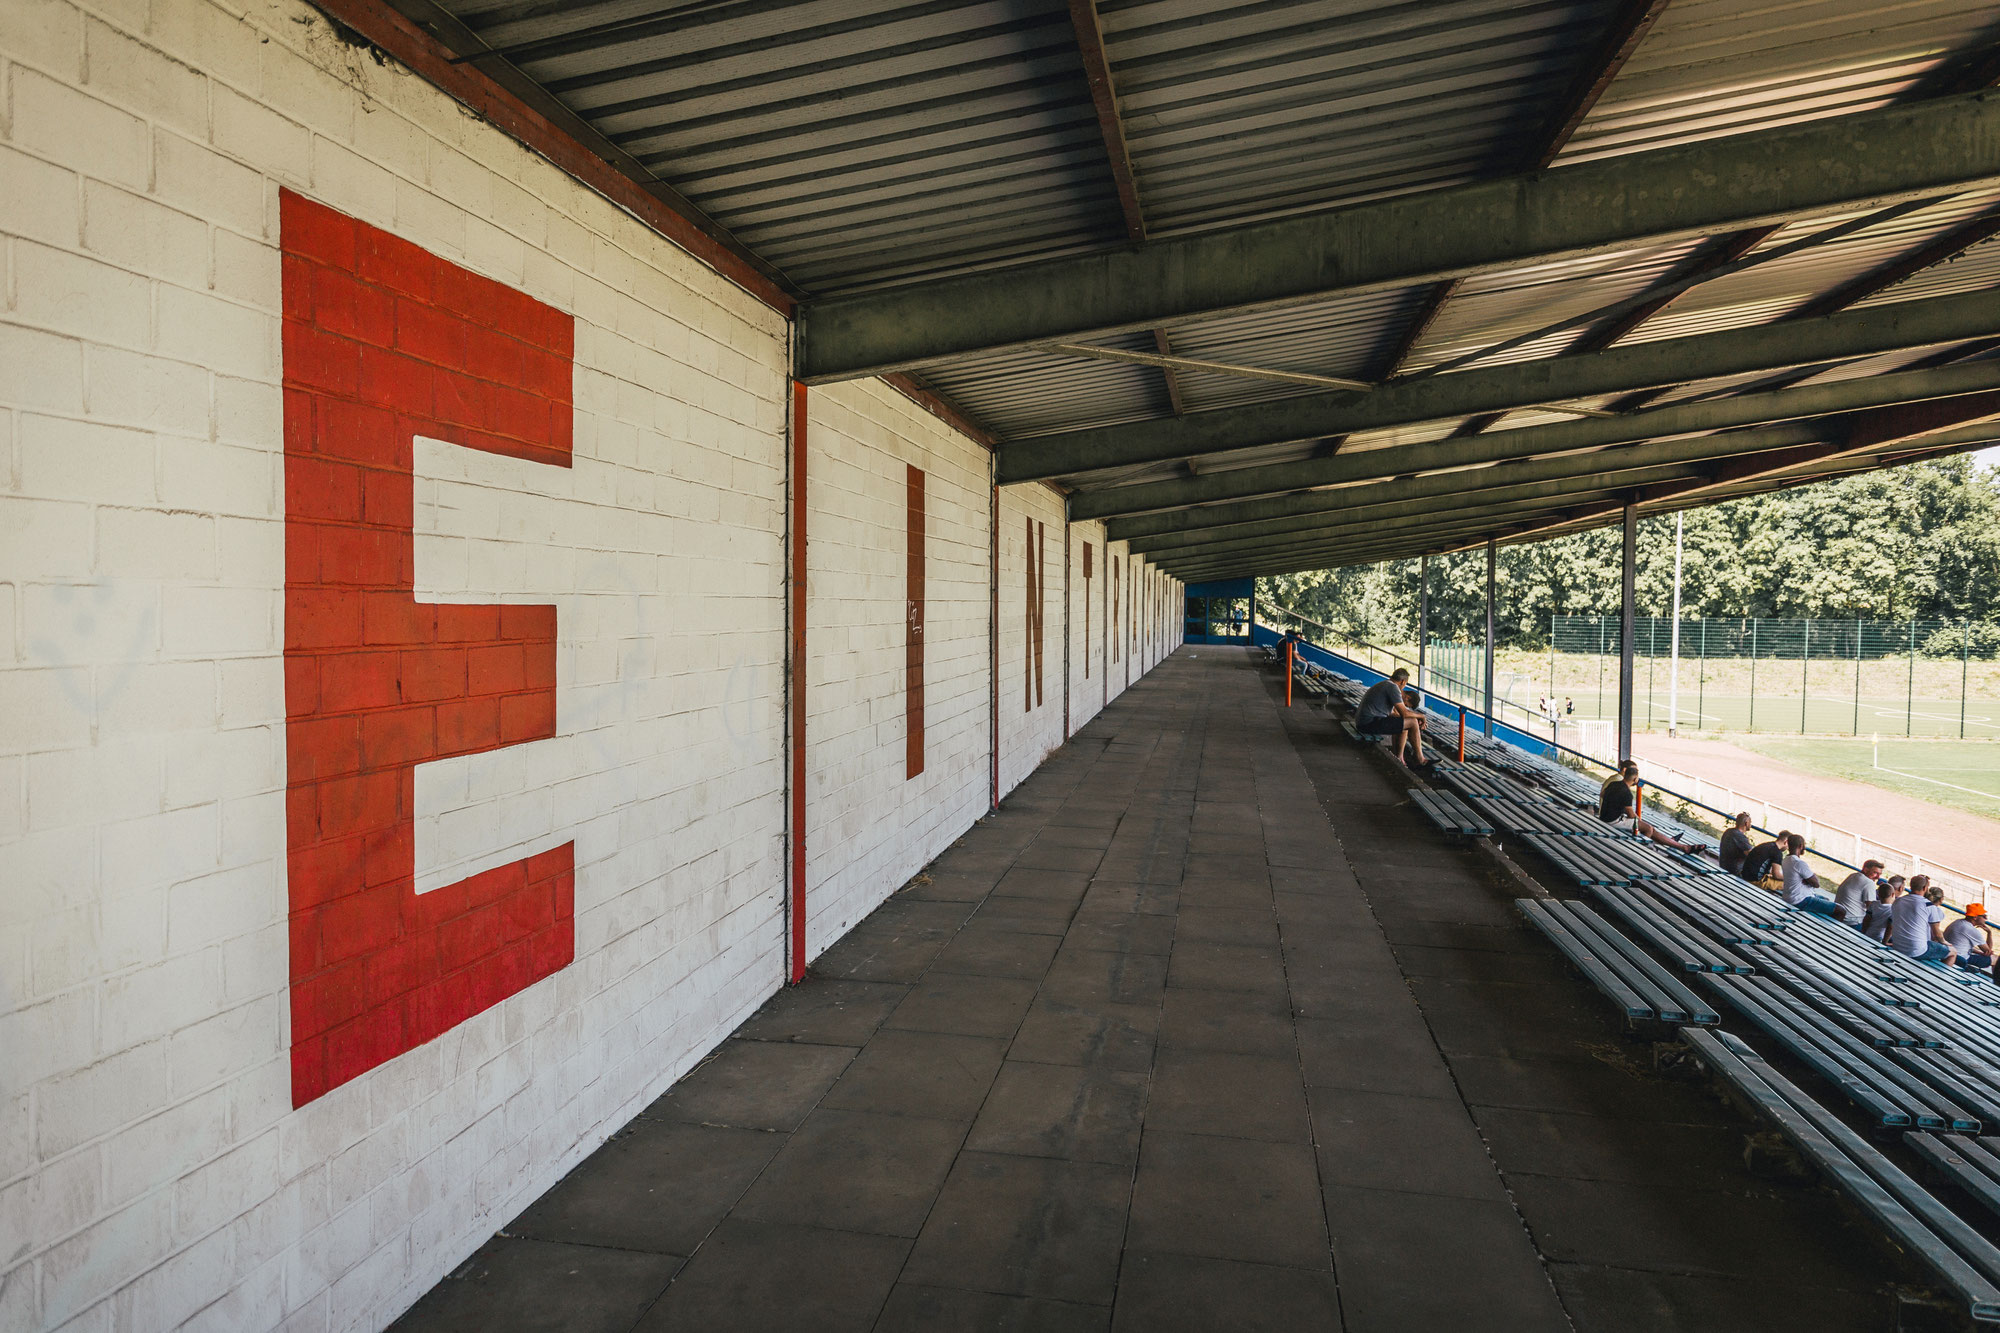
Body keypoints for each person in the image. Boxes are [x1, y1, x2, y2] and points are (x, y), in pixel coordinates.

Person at [1597, 761, 1698, 852]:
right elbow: (1632, 815)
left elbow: (1603, 794)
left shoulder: (1614, 783)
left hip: (1605, 817)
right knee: (1648, 828)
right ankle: (1641, 850)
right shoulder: (1626, 793)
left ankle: (1679, 846)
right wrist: (1639, 820)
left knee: (1647, 827)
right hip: (1613, 821)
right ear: (1635, 778)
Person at [1355, 669, 1431, 769]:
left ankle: (1399, 758)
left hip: (1364, 722)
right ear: (1403, 681)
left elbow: (1393, 714)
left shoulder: (1385, 684)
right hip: (1368, 723)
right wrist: (1421, 716)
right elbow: (1404, 713)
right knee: (1411, 722)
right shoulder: (1393, 687)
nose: (1403, 688)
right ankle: (1420, 760)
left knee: (1404, 725)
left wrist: (1414, 718)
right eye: (1405, 684)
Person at [1888, 878, 1954, 965]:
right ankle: (1941, 978)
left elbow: (1891, 923)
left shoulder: (1898, 901)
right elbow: (1937, 934)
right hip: (1917, 951)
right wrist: (1945, 942)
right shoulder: (1929, 905)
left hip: (1898, 946)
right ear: (1924, 888)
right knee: (1953, 952)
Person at [1780, 835, 1841, 917]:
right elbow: (1816, 884)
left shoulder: (1786, 859)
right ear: (1801, 846)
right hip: (1801, 900)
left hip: (1789, 897)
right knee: (1840, 910)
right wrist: (1810, 878)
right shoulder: (1799, 863)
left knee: (1826, 900)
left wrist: (1808, 879)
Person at [1832, 860, 1885, 927]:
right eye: (1875, 873)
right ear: (1865, 870)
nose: (1878, 877)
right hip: (1852, 922)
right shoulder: (1869, 883)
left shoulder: (1853, 875)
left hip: (1837, 915)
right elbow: (1871, 908)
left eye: (1879, 874)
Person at [1945, 904, 1995, 971]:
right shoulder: (1971, 929)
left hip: (1949, 954)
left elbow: (1959, 945)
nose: (1986, 919)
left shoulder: (1958, 922)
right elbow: (1988, 951)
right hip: (1960, 959)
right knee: (1996, 959)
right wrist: (1989, 933)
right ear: (1975, 917)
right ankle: (1996, 980)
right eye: (1984, 916)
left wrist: (1978, 952)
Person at [1718, 812, 1754, 877]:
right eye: (1750, 822)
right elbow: (1751, 856)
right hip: (1735, 871)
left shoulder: (1728, 831)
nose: (1751, 825)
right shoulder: (1740, 837)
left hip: (1723, 865)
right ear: (1746, 823)